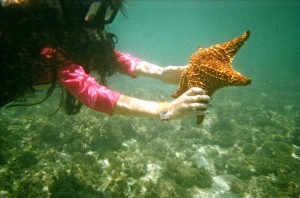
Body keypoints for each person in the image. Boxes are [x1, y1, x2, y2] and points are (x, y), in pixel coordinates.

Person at [0, 0, 210, 121]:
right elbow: (89, 91)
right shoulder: (45, 40)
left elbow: (109, 57)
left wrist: (161, 73)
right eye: (96, 9)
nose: (100, 21)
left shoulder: (74, 31)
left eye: (109, 11)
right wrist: (164, 110)